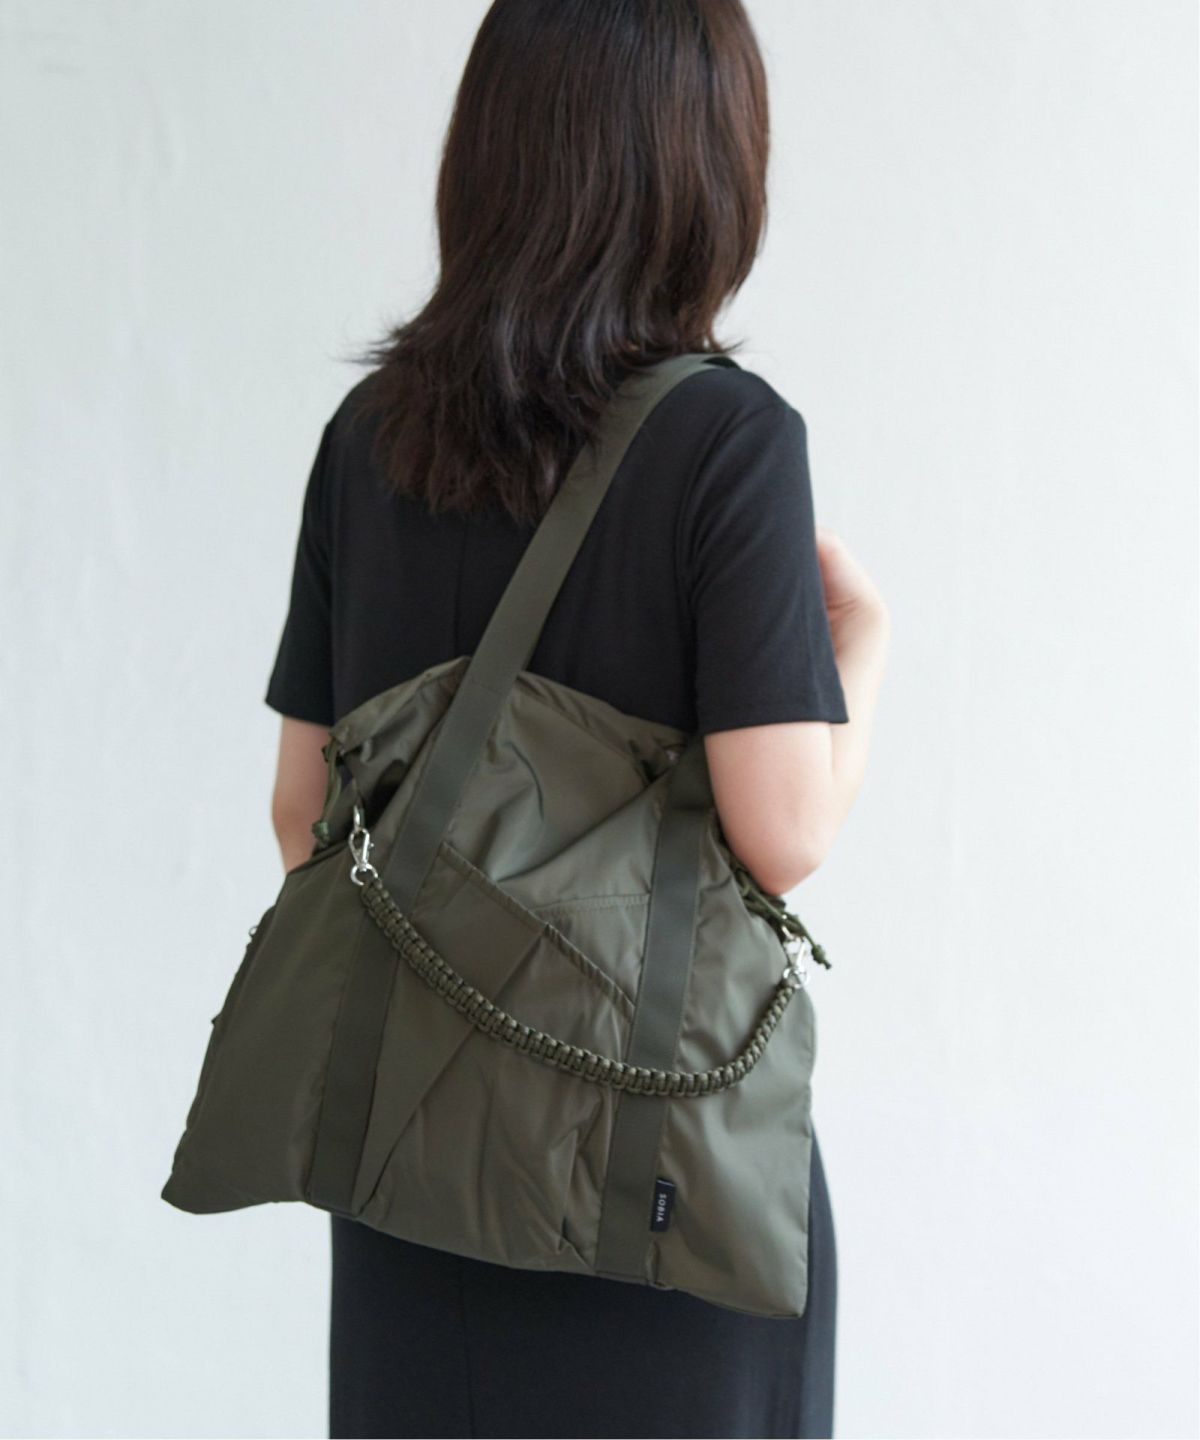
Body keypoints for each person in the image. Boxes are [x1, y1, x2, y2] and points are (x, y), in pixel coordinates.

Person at [264, 1, 890, 1435]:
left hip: (415, 1176)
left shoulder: (368, 442)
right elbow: (784, 831)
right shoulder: (728, 442)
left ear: (487, 150)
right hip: (655, 1197)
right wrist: (862, 651)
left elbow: (304, 820)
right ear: (706, 167)